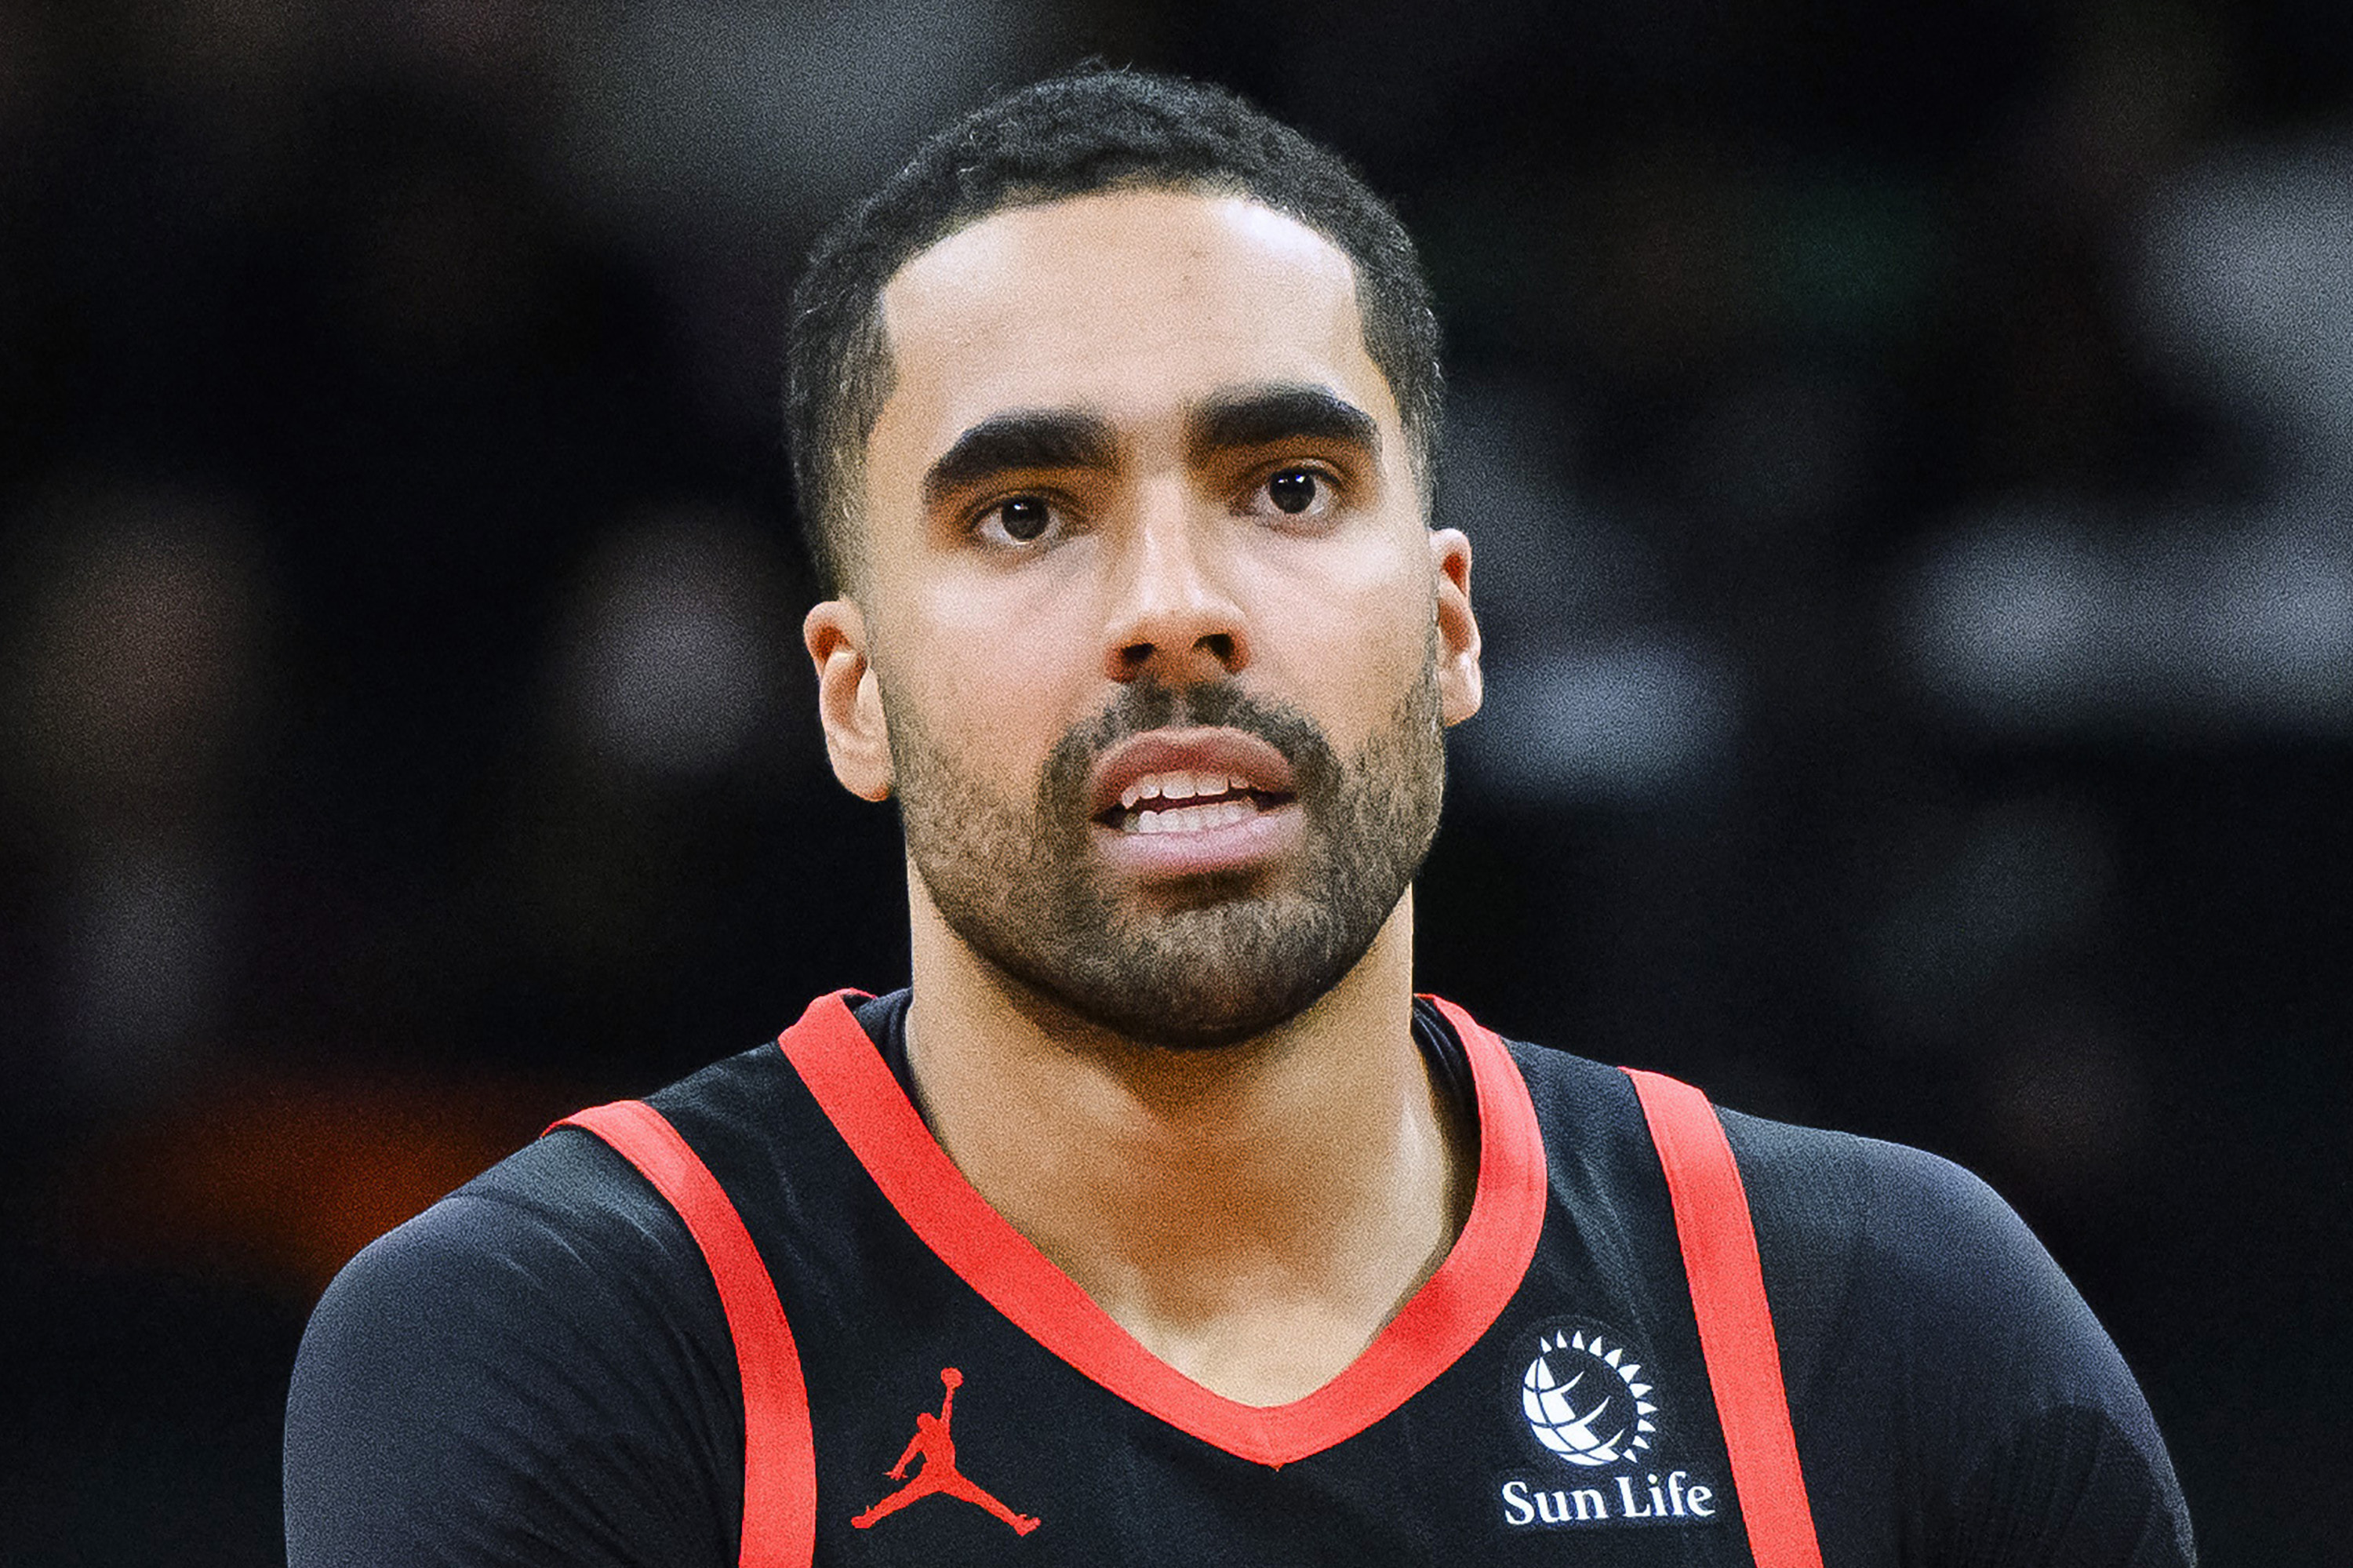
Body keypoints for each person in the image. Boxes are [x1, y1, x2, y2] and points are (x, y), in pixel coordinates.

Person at [283, 70, 2194, 1566]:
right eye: (1027, 512)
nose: (1174, 604)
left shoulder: (1898, 1330)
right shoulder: (574, 1342)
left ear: (1451, 622)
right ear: (853, 696)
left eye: (1285, 483)